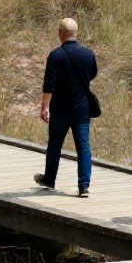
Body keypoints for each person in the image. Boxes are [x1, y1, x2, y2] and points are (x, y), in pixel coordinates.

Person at [33, 17, 98, 197]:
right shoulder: (88, 54)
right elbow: (92, 74)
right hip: (82, 109)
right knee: (83, 146)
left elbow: (49, 85)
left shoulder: (55, 56)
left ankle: (49, 179)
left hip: (61, 108)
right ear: (76, 34)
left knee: (55, 145)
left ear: (60, 34)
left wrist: (44, 106)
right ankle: (84, 185)